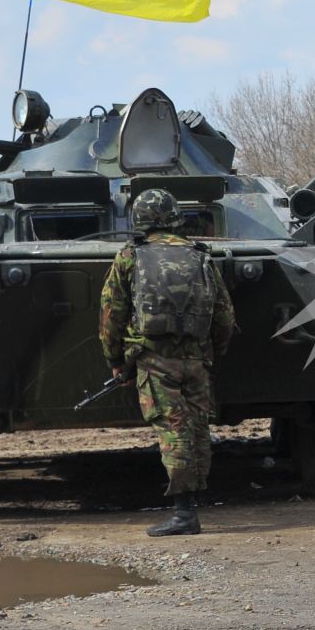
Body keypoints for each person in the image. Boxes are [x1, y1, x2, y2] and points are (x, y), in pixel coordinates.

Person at [100, 188, 234, 537]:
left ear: (140, 220)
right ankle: (192, 505)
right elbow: (224, 315)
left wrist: (115, 359)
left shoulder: (130, 256)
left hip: (156, 360)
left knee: (174, 430)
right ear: (176, 217)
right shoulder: (200, 255)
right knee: (198, 428)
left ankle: (184, 514)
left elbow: (111, 314)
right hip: (196, 359)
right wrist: (211, 353)